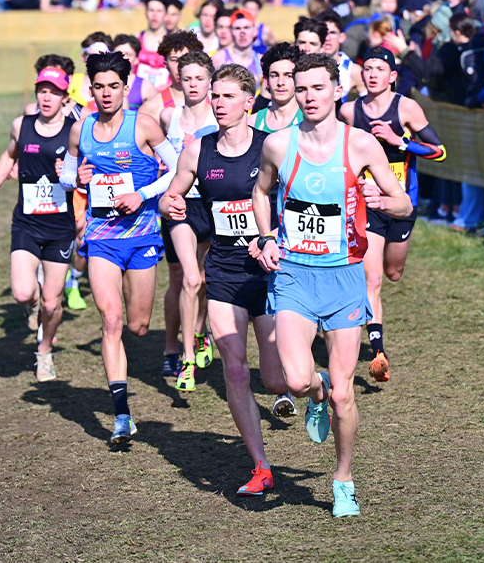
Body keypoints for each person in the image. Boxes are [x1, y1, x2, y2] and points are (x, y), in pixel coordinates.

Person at [252, 53, 412, 518]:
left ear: (337, 90)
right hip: (294, 276)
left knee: (346, 394)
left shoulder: (361, 145)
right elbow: (260, 193)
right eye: (301, 89)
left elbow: (401, 203)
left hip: (344, 277)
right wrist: (264, 237)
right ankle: (315, 391)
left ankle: (343, 479)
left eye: (317, 88)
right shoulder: (278, 145)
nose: (308, 96)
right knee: (298, 380)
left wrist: (387, 200)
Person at [159, 63, 291, 496]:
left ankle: (321, 390)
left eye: (227, 96)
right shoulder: (199, 150)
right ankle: (260, 465)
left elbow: (297, 201)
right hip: (224, 273)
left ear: (249, 102)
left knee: (276, 380)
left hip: (267, 275)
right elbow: (172, 192)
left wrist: (271, 238)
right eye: (214, 96)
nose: (217, 103)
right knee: (235, 369)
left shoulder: (272, 148)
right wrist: (169, 205)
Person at [58, 51, 176, 446]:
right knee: (111, 320)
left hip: (142, 236)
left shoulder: (143, 126)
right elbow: (64, 177)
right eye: (99, 87)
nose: (106, 94)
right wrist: (78, 176)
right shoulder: (81, 129)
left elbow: (177, 170)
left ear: (126, 88)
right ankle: (122, 414)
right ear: (89, 89)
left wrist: (141, 192)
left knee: (138, 326)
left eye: (113, 86)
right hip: (101, 237)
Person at [339, 47, 445, 382]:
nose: (372, 74)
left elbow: (439, 152)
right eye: (367, 68)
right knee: (372, 280)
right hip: (367, 203)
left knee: (393, 273)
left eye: (379, 69)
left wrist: (400, 142)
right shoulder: (350, 110)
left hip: (402, 204)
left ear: (392, 76)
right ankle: (378, 351)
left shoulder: (407, 108)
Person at [0, 64, 78, 381]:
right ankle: (33, 305)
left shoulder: (76, 130)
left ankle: (45, 351)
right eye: (42, 91)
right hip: (26, 223)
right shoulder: (21, 126)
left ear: (65, 97)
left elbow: (90, 171)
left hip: (60, 228)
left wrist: (72, 173)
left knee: (53, 304)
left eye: (53, 92)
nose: (46, 97)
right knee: (24, 294)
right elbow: (9, 155)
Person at [156, 50, 218, 388]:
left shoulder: (221, 116)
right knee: (188, 280)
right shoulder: (168, 116)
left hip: (211, 206)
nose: (192, 84)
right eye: (187, 77)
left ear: (210, 81)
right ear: (178, 79)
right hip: (179, 206)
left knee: (206, 280)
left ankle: (201, 332)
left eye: (199, 78)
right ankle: (184, 358)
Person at [249, 43, 304, 133]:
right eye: (274, 76)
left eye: (288, 76)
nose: (280, 82)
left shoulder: (308, 122)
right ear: (266, 81)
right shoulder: (252, 123)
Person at [213, 10, 262, 80]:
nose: (242, 32)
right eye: (237, 28)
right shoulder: (219, 58)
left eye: (246, 27)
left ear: (255, 31)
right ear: (231, 32)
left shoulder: (261, 61)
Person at [137, 0, 172, 89]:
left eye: (159, 11)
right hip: (140, 94)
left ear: (165, 15)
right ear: (146, 13)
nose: (154, 15)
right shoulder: (136, 39)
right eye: (151, 10)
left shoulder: (173, 42)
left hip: (164, 94)